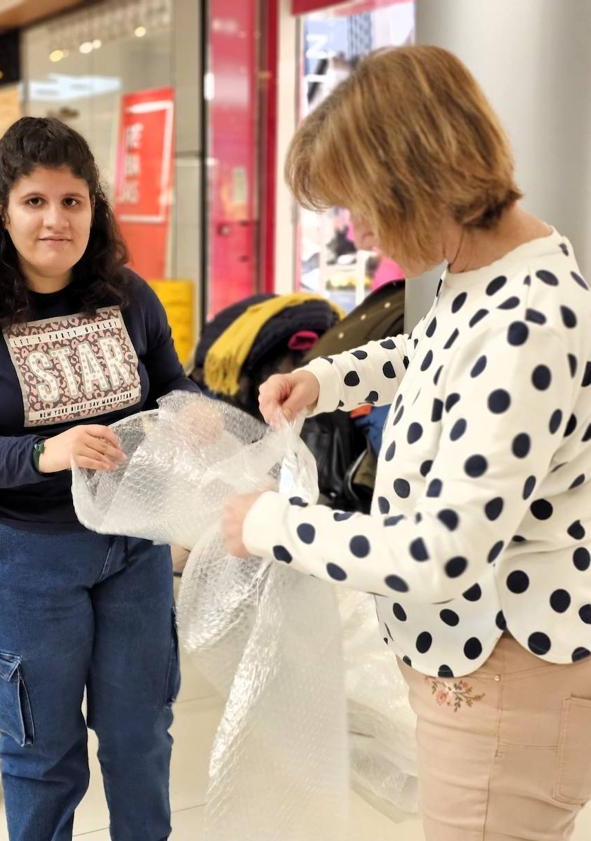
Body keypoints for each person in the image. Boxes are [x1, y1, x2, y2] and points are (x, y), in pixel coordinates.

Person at [222, 45, 591, 841]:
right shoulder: (489, 276)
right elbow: (433, 353)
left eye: (357, 204)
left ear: (414, 179)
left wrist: (270, 527)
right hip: (482, 671)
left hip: (504, 680)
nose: (356, 233)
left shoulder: (528, 321)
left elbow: (438, 555)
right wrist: (329, 379)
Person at [0, 117, 197, 841]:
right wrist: (41, 454)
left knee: (140, 736)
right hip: (21, 554)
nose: (55, 220)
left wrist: (197, 415)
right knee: (43, 752)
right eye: (35, 201)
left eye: (72, 201)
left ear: (94, 208)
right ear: (1, 208)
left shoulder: (127, 295)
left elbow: (170, 389)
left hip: (132, 542)